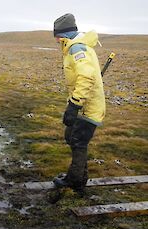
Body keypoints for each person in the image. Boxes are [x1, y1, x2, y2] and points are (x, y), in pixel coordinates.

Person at [52, 13, 105, 196]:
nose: (57, 39)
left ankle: (74, 181)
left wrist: (74, 105)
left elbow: (86, 77)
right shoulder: (75, 47)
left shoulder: (77, 49)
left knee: (78, 141)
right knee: (72, 136)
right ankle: (79, 177)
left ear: (65, 34)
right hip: (84, 105)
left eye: (58, 35)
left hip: (88, 108)